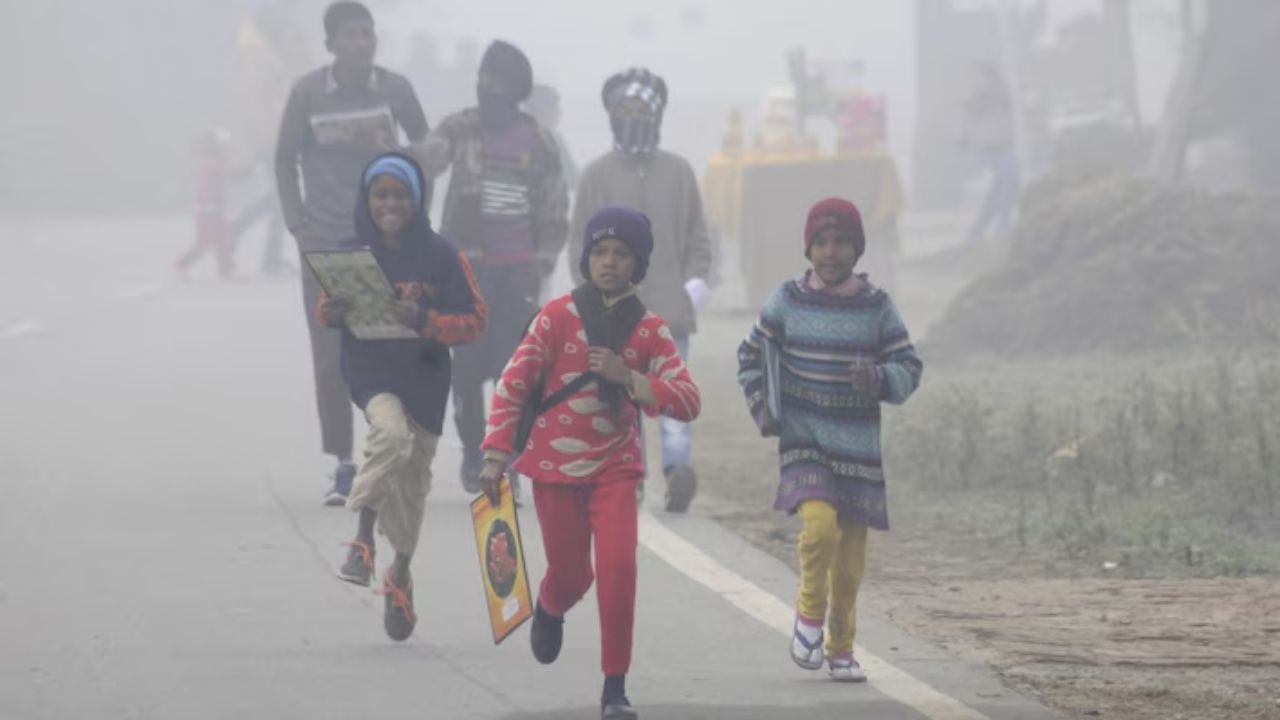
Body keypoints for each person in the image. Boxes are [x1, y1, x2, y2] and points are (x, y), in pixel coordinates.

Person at [478, 207, 700, 719]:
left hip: (615, 469)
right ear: (586, 258)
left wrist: (632, 378)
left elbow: (688, 400)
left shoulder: (650, 331)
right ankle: (551, 605)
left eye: (622, 254)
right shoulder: (555, 317)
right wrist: (494, 456)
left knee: (620, 566)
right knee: (574, 575)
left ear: (638, 263)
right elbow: (514, 384)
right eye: (600, 252)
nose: (609, 262)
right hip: (553, 471)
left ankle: (614, 688)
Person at [736, 197, 922, 682]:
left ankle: (841, 648)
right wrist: (765, 409)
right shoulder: (786, 300)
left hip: (857, 449)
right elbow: (749, 356)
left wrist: (879, 378)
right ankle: (808, 614)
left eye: (841, 242)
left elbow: (909, 367)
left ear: (858, 248)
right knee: (819, 530)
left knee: (851, 562)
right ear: (808, 247)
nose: (831, 251)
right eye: (821, 241)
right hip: (804, 440)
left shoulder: (876, 306)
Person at [320, 153, 486, 641]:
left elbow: (476, 320)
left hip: (426, 381)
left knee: (412, 492)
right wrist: (335, 309)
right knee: (389, 436)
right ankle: (362, 543)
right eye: (381, 194)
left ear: (417, 200)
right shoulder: (352, 251)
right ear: (366, 200)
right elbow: (326, 309)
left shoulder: (441, 256)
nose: (390, 204)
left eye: (400, 195)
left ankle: (400, 574)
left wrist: (424, 321)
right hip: (373, 374)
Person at [275, 0, 430, 505]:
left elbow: (426, 148)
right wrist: (297, 224)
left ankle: (386, 457)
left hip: (387, 240)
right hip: (326, 243)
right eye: (352, 36)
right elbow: (284, 159)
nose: (363, 43)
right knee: (331, 354)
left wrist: (412, 205)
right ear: (331, 45)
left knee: (389, 347)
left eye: (368, 34)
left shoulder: (396, 90)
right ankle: (339, 463)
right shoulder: (307, 93)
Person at [410, 40, 569, 494]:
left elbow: (555, 209)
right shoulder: (460, 129)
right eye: (483, 81)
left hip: (518, 270)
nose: (487, 91)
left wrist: (542, 265)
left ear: (516, 92)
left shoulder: (538, 140)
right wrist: (396, 159)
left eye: (498, 85)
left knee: (511, 371)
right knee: (464, 368)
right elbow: (424, 161)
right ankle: (471, 454)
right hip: (465, 269)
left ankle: (510, 460)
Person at [569, 68, 713, 513]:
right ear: (611, 116)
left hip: (670, 312)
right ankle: (627, 476)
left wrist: (691, 292)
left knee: (669, 393)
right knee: (620, 397)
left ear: (658, 115)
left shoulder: (680, 171)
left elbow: (699, 243)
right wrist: (591, 302)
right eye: (625, 111)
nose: (634, 119)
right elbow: (580, 246)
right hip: (614, 314)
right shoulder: (595, 175)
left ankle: (676, 471)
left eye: (642, 111)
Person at [960, 62, 1020, 244]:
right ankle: (1002, 226)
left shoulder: (999, 95)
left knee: (1000, 188)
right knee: (1009, 180)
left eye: (979, 77)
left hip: (1001, 146)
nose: (976, 81)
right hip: (990, 150)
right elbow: (967, 126)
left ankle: (979, 229)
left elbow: (1006, 118)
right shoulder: (977, 100)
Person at [175, 128, 236, 281]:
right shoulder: (211, 163)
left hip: (214, 207)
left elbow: (227, 178)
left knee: (222, 239)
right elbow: (208, 186)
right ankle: (182, 265)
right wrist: (210, 205)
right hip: (209, 209)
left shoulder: (215, 162)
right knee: (206, 241)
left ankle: (226, 270)